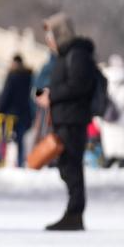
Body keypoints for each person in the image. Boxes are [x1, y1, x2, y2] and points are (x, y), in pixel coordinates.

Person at [35, 12, 97, 231]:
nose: (48, 41)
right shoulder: (64, 55)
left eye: (51, 36)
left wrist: (52, 95)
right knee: (66, 165)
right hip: (64, 118)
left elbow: (78, 86)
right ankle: (73, 211)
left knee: (71, 165)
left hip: (73, 119)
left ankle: (75, 213)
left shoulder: (77, 54)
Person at [0, 55, 35, 167]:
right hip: (23, 113)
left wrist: (0, 109)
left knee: (4, 137)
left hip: (10, 113)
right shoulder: (29, 76)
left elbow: (6, 94)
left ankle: (1, 159)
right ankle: (20, 161)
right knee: (20, 140)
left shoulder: (12, 76)